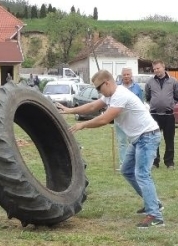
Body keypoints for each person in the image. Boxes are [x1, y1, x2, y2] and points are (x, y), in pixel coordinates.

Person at [57, 69, 164, 228]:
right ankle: (153, 203)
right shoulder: (110, 95)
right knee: (127, 170)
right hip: (138, 138)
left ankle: (155, 215)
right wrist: (70, 110)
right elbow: (93, 105)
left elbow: (105, 119)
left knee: (142, 174)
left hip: (147, 137)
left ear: (107, 83)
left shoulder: (120, 95)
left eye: (98, 88)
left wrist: (83, 125)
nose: (98, 91)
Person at [144, 60, 178, 169]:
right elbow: (148, 96)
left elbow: (177, 95)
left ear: (163, 67)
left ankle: (169, 162)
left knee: (169, 139)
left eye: (158, 68)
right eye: (154, 69)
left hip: (168, 115)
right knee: (154, 139)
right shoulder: (150, 82)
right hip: (154, 115)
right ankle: (155, 162)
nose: (156, 70)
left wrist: (169, 104)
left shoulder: (173, 81)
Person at [114, 68, 144, 169]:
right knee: (122, 142)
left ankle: (134, 163)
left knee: (134, 141)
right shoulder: (116, 87)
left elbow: (141, 103)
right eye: (124, 74)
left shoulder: (137, 88)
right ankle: (123, 164)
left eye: (128, 74)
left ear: (131, 76)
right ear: (122, 76)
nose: (126, 76)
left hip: (133, 119)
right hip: (119, 118)